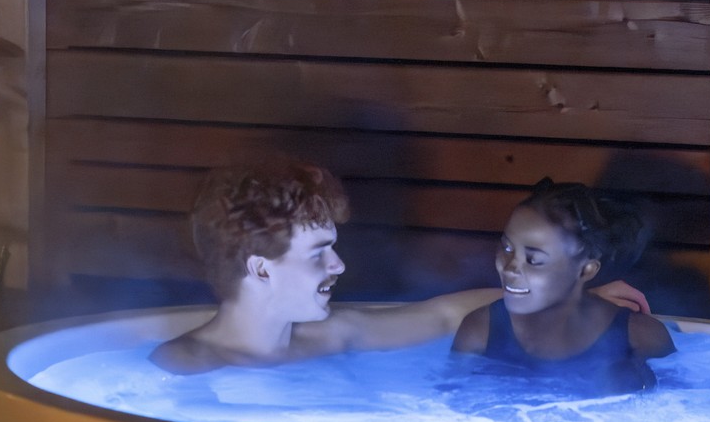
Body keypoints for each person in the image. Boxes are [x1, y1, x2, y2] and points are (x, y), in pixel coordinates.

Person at [150, 160, 647, 375]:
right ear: (261, 270)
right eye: (319, 252)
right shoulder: (183, 366)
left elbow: (444, 315)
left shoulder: (330, 335)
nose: (338, 264)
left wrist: (568, 297)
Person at [451, 179, 675, 392]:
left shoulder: (641, 338)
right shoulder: (480, 331)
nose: (509, 268)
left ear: (586, 270)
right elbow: (448, 405)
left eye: (534, 260)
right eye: (507, 248)